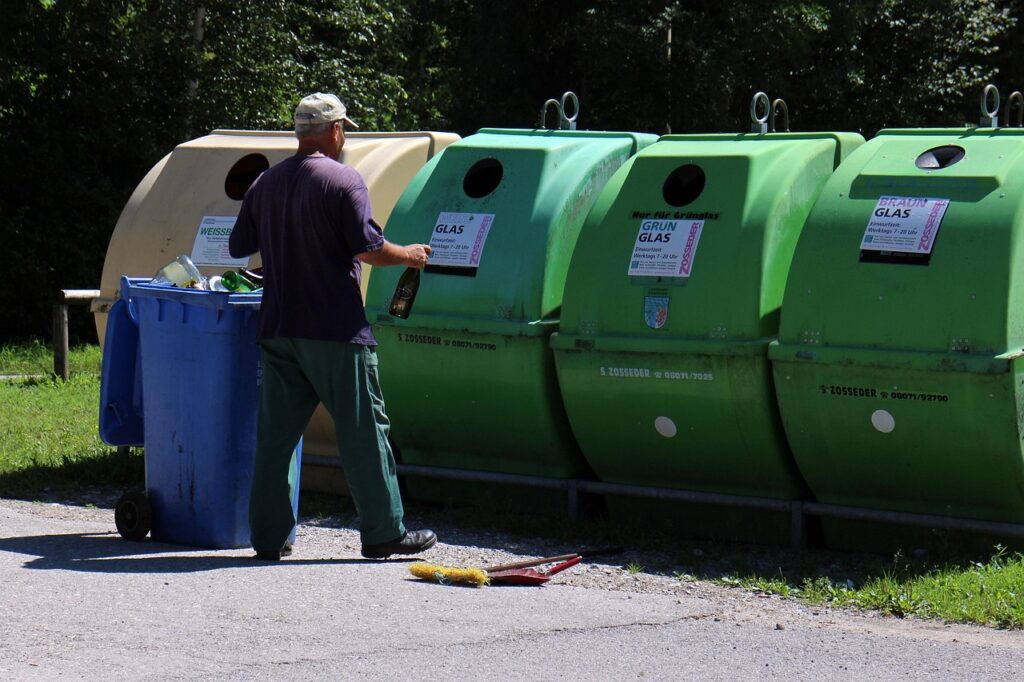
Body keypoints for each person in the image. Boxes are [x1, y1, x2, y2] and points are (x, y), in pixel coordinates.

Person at [228, 92, 437, 560]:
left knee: (277, 438)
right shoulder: (344, 180)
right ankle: (384, 532)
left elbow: (240, 245)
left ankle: (267, 537)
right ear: (337, 131)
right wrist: (409, 256)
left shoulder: (265, 183)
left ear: (300, 133)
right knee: (364, 430)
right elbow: (367, 249)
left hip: (279, 328)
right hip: (336, 331)